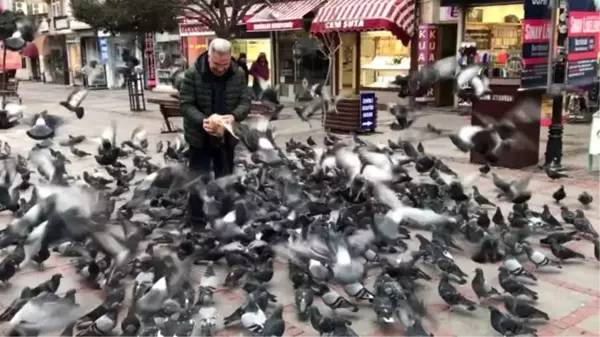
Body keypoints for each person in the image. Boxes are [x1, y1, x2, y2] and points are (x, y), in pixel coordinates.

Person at [179, 38, 251, 228]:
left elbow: (245, 102)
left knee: (225, 181)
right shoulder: (193, 74)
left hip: (226, 138)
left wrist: (233, 117)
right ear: (209, 56)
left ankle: (225, 221)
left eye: (225, 64)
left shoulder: (239, 74)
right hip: (199, 138)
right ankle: (197, 222)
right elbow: (186, 104)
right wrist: (202, 121)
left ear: (230, 59)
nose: (220, 68)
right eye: (216, 64)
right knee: (198, 180)